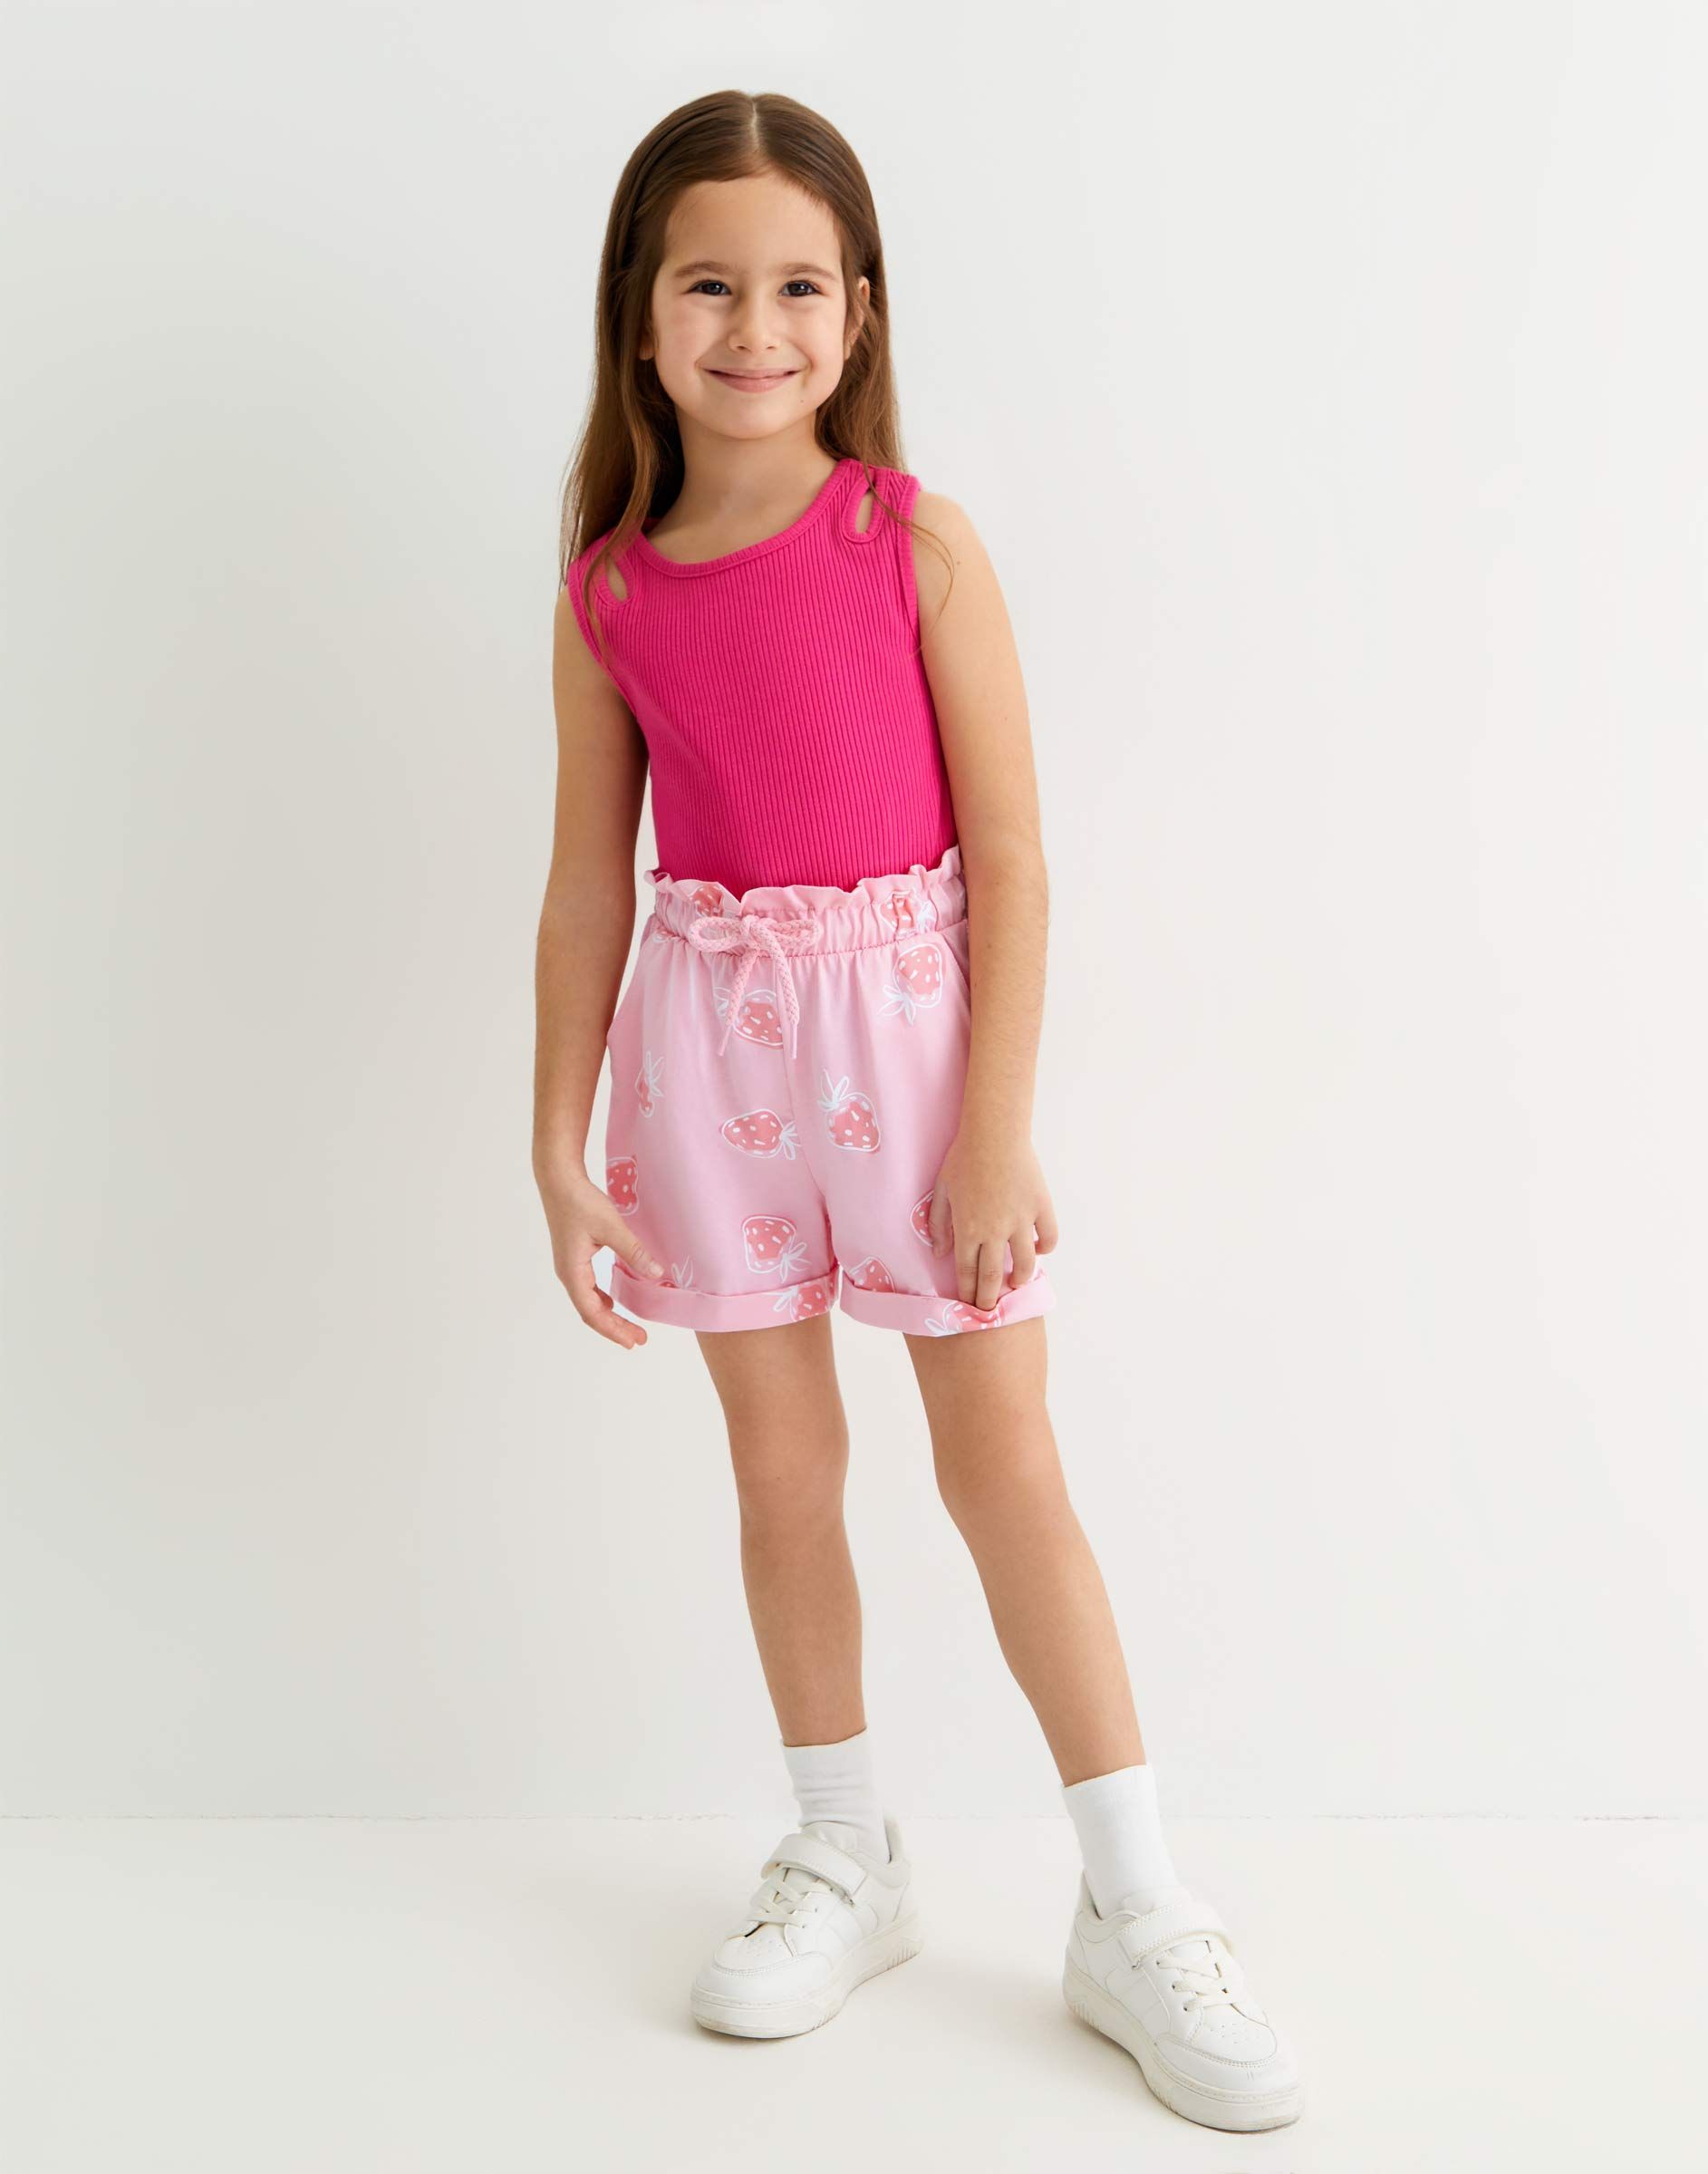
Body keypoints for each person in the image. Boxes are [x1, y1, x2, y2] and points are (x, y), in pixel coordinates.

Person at [534, 89, 1302, 2134]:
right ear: (641, 313)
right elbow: (584, 885)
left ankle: (1134, 1901)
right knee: (781, 1470)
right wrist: (554, 1143)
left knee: (1002, 1465)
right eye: (711, 285)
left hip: (916, 1059)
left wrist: (993, 1130)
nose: (755, 327)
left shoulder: (912, 544)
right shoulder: (609, 592)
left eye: (799, 287)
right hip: (708, 1061)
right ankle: (841, 1849)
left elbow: (1016, 854)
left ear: (857, 316)